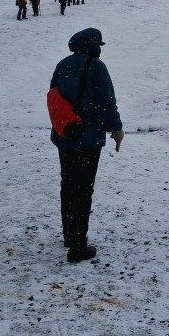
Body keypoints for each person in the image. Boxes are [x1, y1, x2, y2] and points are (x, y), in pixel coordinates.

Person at [49, 28, 124, 263]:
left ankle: (69, 234)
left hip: (66, 134)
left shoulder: (62, 64)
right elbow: (106, 102)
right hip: (88, 138)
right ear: (93, 44)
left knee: (68, 185)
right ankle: (78, 246)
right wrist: (116, 129)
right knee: (83, 189)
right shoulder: (96, 66)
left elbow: (53, 97)